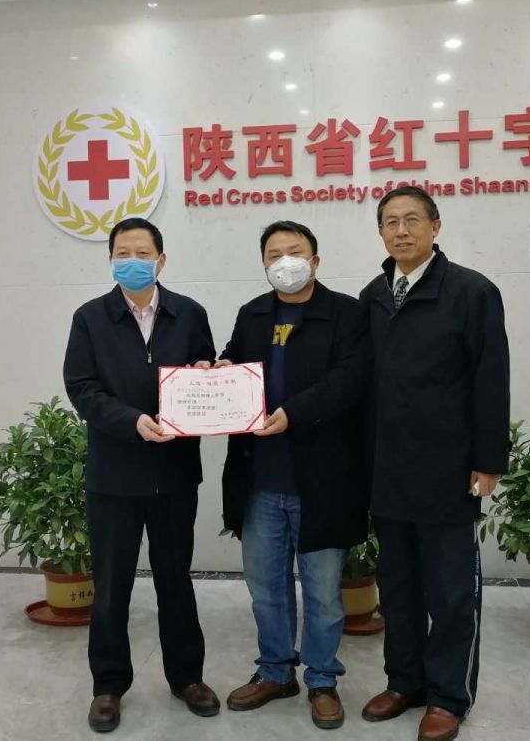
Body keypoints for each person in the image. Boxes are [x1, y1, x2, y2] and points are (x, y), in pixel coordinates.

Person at [358, 187, 510, 741]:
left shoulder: (471, 292)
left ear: (435, 226)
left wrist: (488, 460)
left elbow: (491, 379)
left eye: (412, 220)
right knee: (397, 587)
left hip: (448, 471)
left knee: (450, 593)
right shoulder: (373, 296)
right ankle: (405, 681)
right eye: (391, 222)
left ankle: (448, 695)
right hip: (388, 471)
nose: (401, 231)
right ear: (381, 232)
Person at [208, 220, 369, 730]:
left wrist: (293, 414)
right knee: (266, 589)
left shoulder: (347, 313)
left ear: (315, 260)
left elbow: (350, 380)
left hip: (322, 479)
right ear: (263, 264)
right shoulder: (252, 313)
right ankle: (276, 671)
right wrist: (218, 373)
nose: (285, 262)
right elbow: (235, 361)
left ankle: (322, 679)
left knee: (322, 593)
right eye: (274, 254)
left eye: (294, 251)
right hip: (260, 478)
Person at [62, 218, 220, 734]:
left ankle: (187, 677)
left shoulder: (189, 313)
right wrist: (131, 422)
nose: (132, 260)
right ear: (110, 260)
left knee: (176, 579)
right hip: (114, 475)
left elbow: (205, 369)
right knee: (111, 586)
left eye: (142, 252)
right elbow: (81, 387)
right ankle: (108, 685)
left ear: (161, 260)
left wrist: (206, 375)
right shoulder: (90, 318)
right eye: (122, 253)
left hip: (175, 473)